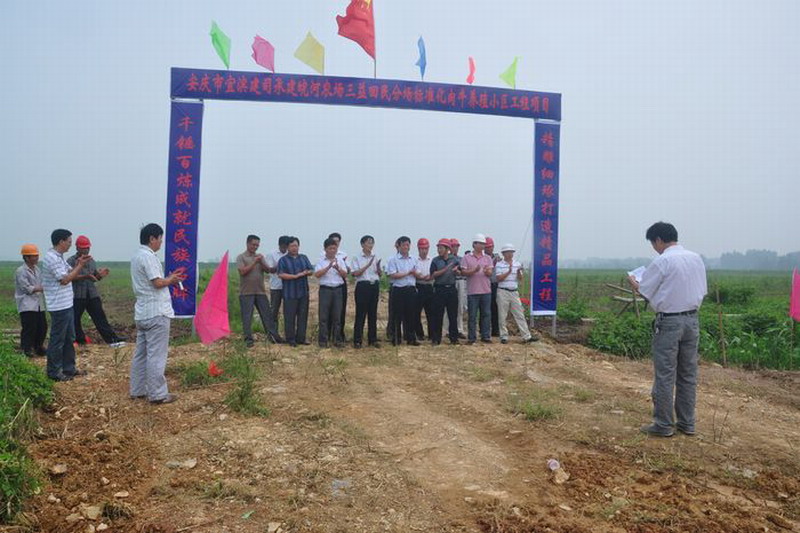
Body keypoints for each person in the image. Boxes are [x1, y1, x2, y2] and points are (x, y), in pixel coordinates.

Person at [628, 222, 707, 438]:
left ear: (659, 240)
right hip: (692, 320)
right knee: (688, 374)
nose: (655, 248)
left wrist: (635, 283)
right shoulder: (695, 258)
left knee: (665, 374)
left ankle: (663, 424)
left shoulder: (662, 261)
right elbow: (702, 290)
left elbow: (646, 290)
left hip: (669, 322)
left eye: (653, 244)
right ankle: (687, 423)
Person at [130, 223, 185, 404]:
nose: (161, 242)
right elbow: (157, 283)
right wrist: (171, 279)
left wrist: (168, 278)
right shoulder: (148, 257)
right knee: (156, 355)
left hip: (143, 312)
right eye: (160, 238)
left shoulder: (137, 256)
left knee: (141, 354)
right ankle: (158, 394)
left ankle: (137, 390)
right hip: (156, 312)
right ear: (152, 239)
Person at [41, 229, 92, 381]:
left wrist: (79, 264)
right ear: (61, 241)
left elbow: (71, 271)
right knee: (58, 339)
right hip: (58, 305)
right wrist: (80, 265)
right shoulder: (51, 258)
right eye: (69, 241)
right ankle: (54, 372)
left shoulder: (59, 257)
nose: (70, 244)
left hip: (66, 303)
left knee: (69, 337)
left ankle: (69, 368)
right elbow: (65, 279)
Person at [67, 235, 126, 347]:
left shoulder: (91, 261)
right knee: (75, 319)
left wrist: (100, 275)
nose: (86, 250)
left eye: (87, 248)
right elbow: (69, 277)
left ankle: (113, 340)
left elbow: (94, 278)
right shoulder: (71, 261)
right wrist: (86, 276)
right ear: (77, 248)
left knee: (100, 317)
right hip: (77, 295)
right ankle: (80, 341)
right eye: (83, 248)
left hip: (91, 293)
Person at [236, 234, 283, 348]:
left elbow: (268, 270)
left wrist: (263, 262)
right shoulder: (241, 257)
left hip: (260, 291)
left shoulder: (260, 257)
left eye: (257, 245)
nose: (255, 247)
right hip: (246, 292)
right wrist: (254, 262)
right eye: (253, 244)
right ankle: (248, 339)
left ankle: (273, 337)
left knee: (267, 315)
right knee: (247, 317)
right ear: (247, 244)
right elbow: (242, 271)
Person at [494, 244, 538, 344]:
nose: (510, 254)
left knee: (519, 314)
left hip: (514, 292)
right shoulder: (499, 264)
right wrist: (509, 271)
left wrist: (518, 272)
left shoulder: (517, 264)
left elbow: (520, 279)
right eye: (507, 252)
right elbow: (498, 278)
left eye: (511, 252)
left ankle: (526, 336)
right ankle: (504, 336)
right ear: (503, 253)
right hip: (503, 291)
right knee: (502, 315)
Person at [278, 237, 314, 347]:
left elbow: (311, 270)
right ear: (287, 247)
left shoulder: (303, 257)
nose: (294, 248)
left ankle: (301, 338)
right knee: (290, 317)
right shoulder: (283, 260)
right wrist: (295, 276)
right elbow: (281, 274)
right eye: (292, 246)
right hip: (290, 293)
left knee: (303, 316)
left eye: (296, 246)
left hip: (303, 292)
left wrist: (307, 272)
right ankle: (290, 339)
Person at [460, 234, 494, 344]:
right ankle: (471, 337)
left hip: (486, 291)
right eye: (480, 243)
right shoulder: (466, 258)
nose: (482, 246)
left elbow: (490, 273)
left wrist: (487, 272)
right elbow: (463, 272)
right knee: (472, 316)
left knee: (486, 315)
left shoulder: (488, 258)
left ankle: (485, 336)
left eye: (483, 244)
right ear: (474, 244)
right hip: (472, 291)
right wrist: (474, 270)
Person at [314, 238, 349, 348]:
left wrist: (338, 268)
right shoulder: (321, 261)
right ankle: (323, 341)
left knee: (337, 317)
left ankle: (337, 340)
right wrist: (328, 267)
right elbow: (317, 274)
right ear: (325, 249)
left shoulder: (340, 260)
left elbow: (345, 275)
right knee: (323, 317)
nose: (332, 250)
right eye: (330, 248)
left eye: (334, 248)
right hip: (325, 290)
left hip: (338, 290)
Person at [386, 236, 420, 346]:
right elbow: (392, 274)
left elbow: (418, 273)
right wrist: (408, 273)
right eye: (404, 245)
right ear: (399, 246)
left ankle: (411, 338)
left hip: (411, 289)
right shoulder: (393, 259)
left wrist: (415, 273)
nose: (406, 247)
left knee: (411, 314)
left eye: (408, 245)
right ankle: (396, 339)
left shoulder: (414, 259)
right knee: (397, 315)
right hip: (398, 289)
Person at [15, 244, 47, 357]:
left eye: (37, 255)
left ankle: (38, 347)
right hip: (27, 304)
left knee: (42, 327)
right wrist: (43, 288)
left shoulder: (37, 269)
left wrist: (43, 287)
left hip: (38, 304)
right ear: (26, 257)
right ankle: (26, 349)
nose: (36, 258)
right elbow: (26, 288)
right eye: (34, 256)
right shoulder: (21, 271)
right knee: (29, 328)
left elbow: (42, 283)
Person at [349, 235, 381, 348]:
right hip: (363, 286)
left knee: (373, 313)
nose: (370, 245)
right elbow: (355, 273)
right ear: (362, 244)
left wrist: (378, 268)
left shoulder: (375, 256)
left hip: (374, 285)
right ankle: (357, 340)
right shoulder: (356, 258)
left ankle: (372, 339)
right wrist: (367, 265)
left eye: (372, 243)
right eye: (368, 243)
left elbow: (379, 274)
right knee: (361, 314)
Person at [430, 238, 460, 345]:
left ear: (447, 249)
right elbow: (432, 275)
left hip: (451, 289)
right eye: (438, 248)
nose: (439, 250)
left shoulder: (455, 260)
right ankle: (436, 339)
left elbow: (460, 272)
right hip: (439, 289)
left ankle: (454, 338)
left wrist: (457, 271)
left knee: (453, 315)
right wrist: (445, 269)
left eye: (441, 248)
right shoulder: (435, 260)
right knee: (438, 315)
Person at [266, 235, 291, 328]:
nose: (285, 249)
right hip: (276, 287)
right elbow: (270, 269)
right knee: (274, 310)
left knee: (288, 311)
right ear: (279, 245)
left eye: (286, 247)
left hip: (288, 287)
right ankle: (273, 332)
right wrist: (281, 264)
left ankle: (287, 331)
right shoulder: (271, 254)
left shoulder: (290, 254)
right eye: (283, 246)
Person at [413, 238, 434, 341]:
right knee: (416, 312)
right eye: (422, 248)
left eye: (426, 248)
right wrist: (421, 276)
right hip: (419, 286)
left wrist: (430, 277)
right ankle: (419, 334)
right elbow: (415, 273)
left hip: (429, 287)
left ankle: (432, 335)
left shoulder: (432, 260)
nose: (424, 251)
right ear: (418, 249)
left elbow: (434, 272)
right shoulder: (414, 260)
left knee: (431, 313)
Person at [449, 238, 468, 339]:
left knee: (460, 306)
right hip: (450, 282)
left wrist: (459, 272)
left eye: (456, 246)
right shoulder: (447, 259)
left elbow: (465, 271)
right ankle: (447, 330)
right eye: (453, 246)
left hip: (461, 281)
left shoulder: (462, 259)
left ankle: (459, 329)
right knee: (448, 308)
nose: (455, 248)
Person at [485, 237, 501, 337]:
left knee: (495, 307)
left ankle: (495, 330)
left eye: (490, 247)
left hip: (495, 284)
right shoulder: (482, 258)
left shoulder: (498, 258)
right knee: (485, 308)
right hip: (485, 285)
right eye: (487, 247)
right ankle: (484, 330)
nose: (489, 249)